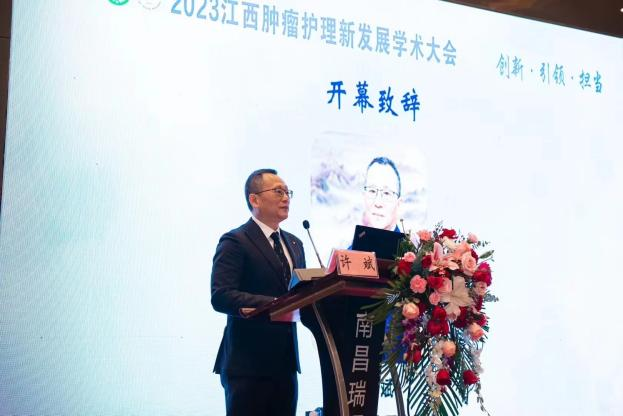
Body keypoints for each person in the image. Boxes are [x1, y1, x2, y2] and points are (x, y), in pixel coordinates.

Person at [211, 168, 306, 416]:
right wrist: (275, 303)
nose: (286, 198)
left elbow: (302, 294)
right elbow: (221, 295)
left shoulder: (295, 244)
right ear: (254, 199)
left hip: (285, 365)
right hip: (247, 366)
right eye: (278, 191)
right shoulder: (235, 241)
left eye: (288, 192)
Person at [361, 156, 402, 231]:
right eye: (372, 191)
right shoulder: (356, 238)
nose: (378, 203)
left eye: (386, 193)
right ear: (364, 197)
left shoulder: (406, 239)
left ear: (398, 204)